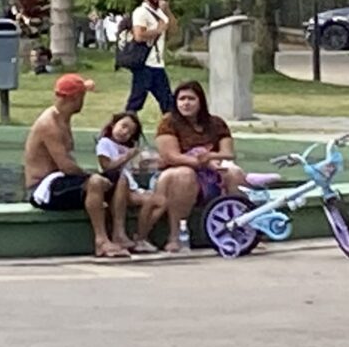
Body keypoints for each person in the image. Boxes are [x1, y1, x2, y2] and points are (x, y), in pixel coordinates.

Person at [22, 75, 128, 259]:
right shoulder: (50, 124)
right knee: (95, 182)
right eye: (83, 96)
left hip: (61, 180)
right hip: (43, 189)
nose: (84, 102)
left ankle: (119, 235)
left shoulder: (63, 117)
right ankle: (101, 241)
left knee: (119, 178)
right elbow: (66, 167)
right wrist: (91, 176)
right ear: (74, 98)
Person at [138, 80, 245, 254]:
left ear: (200, 101)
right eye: (181, 99)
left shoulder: (216, 123)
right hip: (175, 172)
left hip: (212, 172)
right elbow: (170, 156)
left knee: (233, 172)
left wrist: (211, 157)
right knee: (184, 175)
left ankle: (239, 228)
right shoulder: (169, 122)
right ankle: (175, 236)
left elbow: (228, 153)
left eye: (191, 99)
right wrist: (202, 162)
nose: (186, 103)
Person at [94, 110, 158, 252]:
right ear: (113, 124)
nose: (124, 132)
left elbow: (133, 170)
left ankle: (141, 236)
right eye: (123, 126)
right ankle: (127, 235)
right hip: (116, 186)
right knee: (149, 199)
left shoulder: (126, 148)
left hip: (131, 186)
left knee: (158, 201)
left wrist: (145, 162)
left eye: (129, 132)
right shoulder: (105, 143)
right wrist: (126, 157)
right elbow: (106, 167)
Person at [124, 0, 177, 116]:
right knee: (136, 100)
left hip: (157, 63)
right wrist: (157, 30)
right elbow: (139, 36)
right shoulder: (141, 12)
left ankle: (171, 129)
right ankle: (125, 125)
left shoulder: (160, 13)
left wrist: (167, 11)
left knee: (167, 101)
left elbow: (174, 30)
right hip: (145, 63)